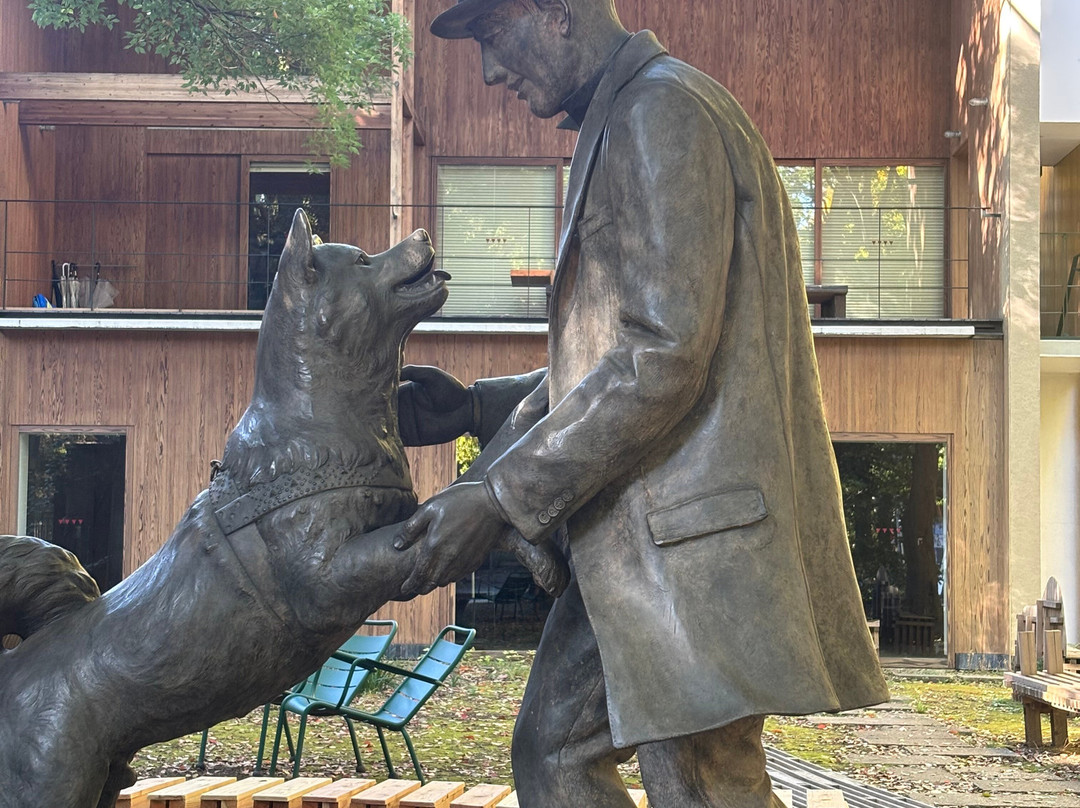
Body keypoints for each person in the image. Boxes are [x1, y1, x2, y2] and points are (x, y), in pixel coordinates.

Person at [395, 1, 890, 805]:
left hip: (690, 544)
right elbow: (616, 351)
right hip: (637, 539)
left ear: (555, 13)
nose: (489, 72)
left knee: (696, 784)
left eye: (492, 36)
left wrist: (499, 494)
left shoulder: (662, 111)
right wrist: (475, 410)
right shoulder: (633, 113)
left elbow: (662, 358)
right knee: (554, 753)